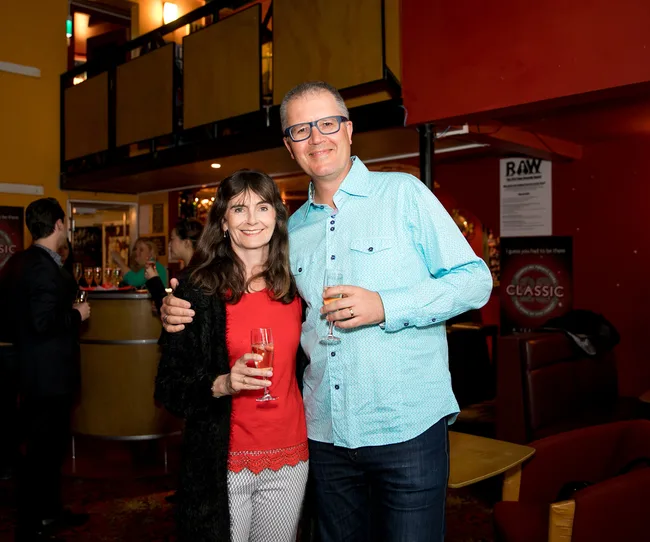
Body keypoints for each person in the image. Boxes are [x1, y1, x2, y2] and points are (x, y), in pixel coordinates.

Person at [161, 81, 493, 542]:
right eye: (301, 130)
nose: (317, 138)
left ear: (349, 130)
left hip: (405, 427)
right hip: (323, 434)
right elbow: (247, 292)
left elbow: (475, 281)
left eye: (328, 123)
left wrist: (386, 305)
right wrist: (180, 307)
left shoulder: (404, 195)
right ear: (289, 146)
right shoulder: (289, 231)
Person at [155, 170, 310, 542]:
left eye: (262, 207)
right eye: (239, 209)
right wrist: (223, 383)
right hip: (222, 460)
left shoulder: (298, 283)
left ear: (277, 216)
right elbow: (168, 389)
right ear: (223, 221)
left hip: (290, 455)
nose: (253, 219)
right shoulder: (197, 291)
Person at [3, 198, 91, 542]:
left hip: (34, 372)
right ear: (58, 224)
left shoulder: (20, 261)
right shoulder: (40, 266)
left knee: (43, 451)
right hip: (47, 375)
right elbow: (42, 323)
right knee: (43, 452)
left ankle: (47, 512)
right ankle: (37, 519)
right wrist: (76, 315)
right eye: (64, 222)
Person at [145, 218, 203, 312]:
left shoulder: (193, 275)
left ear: (187, 243)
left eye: (172, 239)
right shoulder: (198, 269)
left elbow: (175, 312)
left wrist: (153, 279)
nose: (169, 244)